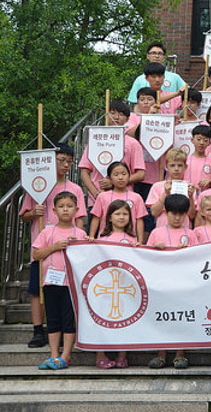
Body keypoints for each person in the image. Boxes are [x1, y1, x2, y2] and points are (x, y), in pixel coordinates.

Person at [20, 143, 86, 349]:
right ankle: (38, 330)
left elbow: (80, 219)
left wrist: (79, 243)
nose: (66, 165)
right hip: (44, 245)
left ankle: (67, 329)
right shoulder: (37, 185)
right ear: (51, 160)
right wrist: (34, 213)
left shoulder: (75, 189)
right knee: (37, 289)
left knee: (66, 290)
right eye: (61, 160)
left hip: (68, 247)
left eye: (69, 161)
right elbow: (24, 216)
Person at [31, 191, 87, 370]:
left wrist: (81, 244)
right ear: (54, 210)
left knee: (68, 319)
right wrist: (54, 247)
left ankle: (66, 355)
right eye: (61, 207)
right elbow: (36, 254)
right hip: (51, 282)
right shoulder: (47, 232)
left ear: (76, 210)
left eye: (69, 206)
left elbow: (87, 257)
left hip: (71, 284)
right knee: (53, 318)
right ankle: (54, 354)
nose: (65, 210)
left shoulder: (80, 233)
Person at [146, 194, 198, 370]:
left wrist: (188, 251)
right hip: (162, 283)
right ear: (165, 213)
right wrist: (155, 249)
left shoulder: (190, 234)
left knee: (181, 317)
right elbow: (146, 257)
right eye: (173, 213)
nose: (177, 218)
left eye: (181, 214)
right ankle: (161, 354)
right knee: (162, 317)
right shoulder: (156, 233)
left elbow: (198, 258)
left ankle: (180, 354)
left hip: (183, 283)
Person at [93, 200, 137, 369]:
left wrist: (138, 248)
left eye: (125, 214)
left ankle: (122, 355)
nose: (121, 217)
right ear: (109, 217)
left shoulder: (133, 239)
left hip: (126, 285)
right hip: (106, 286)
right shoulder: (102, 239)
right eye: (117, 214)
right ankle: (100, 354)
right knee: (103, 319)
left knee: (126, 320)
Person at [79, 124, 146, 208]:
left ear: (127, 119)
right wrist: (96, 194)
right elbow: (84, 172)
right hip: (95, 200)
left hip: (125, 200)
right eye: (111, 115)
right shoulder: (95, 141)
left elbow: (140, 174)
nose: (116, 117)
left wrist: (115, 182)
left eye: (121, 116)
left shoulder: (133, 143)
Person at [89, 162, 147, 243]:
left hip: (130, 241)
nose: (120, 177)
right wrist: (91, 236)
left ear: (129, 176)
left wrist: (140, 241)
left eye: (124, 174)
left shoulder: (136, 197)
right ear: (109, 178)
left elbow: (139, 220)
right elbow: (96, 217)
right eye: (116, 175)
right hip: (105, 241)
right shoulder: (102, 196)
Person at [147, 148, 196, 228]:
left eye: (180, 165)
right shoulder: (157, 186)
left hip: (184, 229)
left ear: (185, 167)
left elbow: (192, 215)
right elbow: (154, 213)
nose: (176, 169)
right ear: (166, 167)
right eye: (172, 165)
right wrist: (165, 193)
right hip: (163, 228)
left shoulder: (189, 187)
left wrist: (190, 197)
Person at [184, 125, 211, 193]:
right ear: (192, 140)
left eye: (205, 140)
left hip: (205, 197)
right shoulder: (185, 161)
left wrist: (210, 183)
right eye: (198, 139)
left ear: (209, 143)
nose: (201, 143)